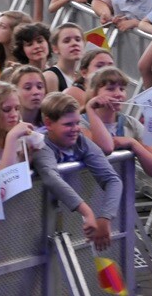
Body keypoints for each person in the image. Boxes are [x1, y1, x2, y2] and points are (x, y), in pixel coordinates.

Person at [31, 93, 122, 251]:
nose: (75, 129)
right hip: (37, 221)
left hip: (70, 221)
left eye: (77, 123)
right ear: (49, 123)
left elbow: (113, 179)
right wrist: (87, 212)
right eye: (68, 124)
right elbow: (51, 178)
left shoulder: (80, 140)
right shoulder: (41, 144)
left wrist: (105, 217)